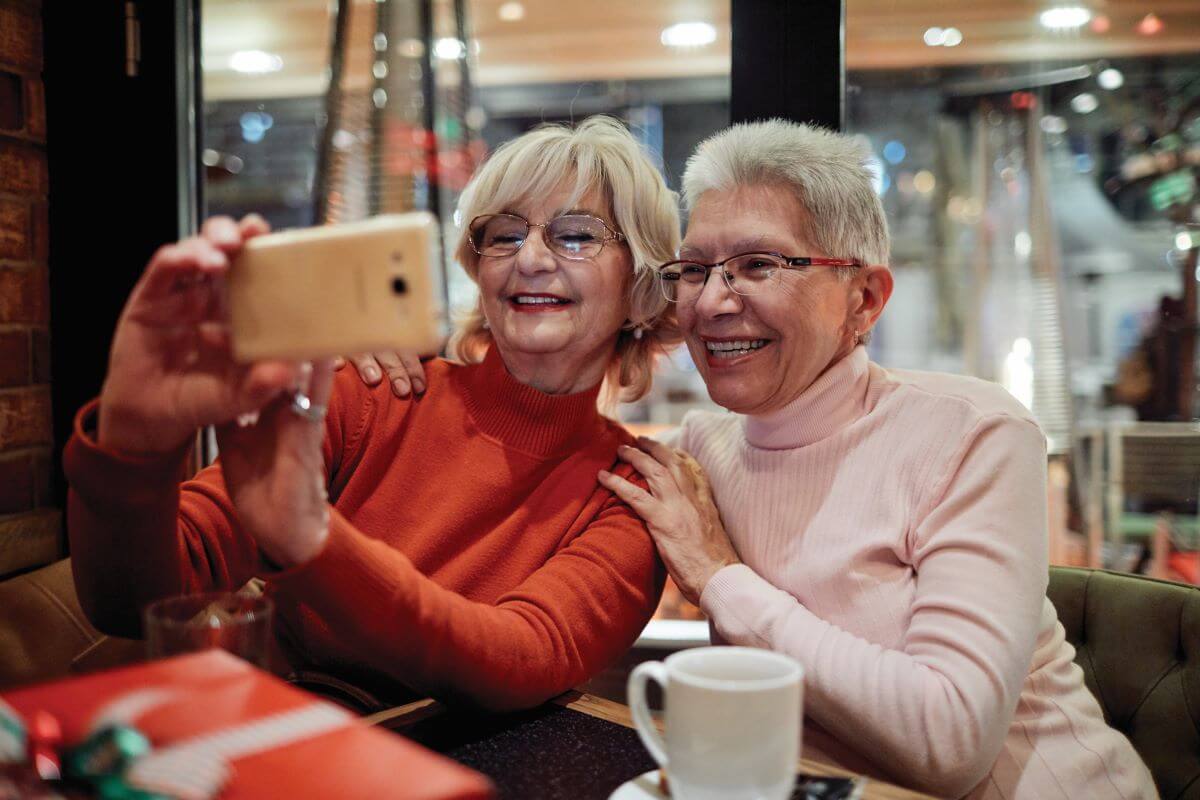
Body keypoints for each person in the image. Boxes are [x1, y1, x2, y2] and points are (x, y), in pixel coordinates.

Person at [598, 121, 1158, 799]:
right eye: (695, 270)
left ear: (863, 299)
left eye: (759, 265)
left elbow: (950, 741)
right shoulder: (703, 449)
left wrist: (721, 577)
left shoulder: (972, 434)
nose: (712, 302)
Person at [65, 116, 680, 710]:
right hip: (273, 742)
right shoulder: (373, 392)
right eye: (505, 234)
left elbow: (520, 658)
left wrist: (314, 540)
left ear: (640, 286)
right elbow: (136, 599)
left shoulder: (628, 493)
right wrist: (136, 445)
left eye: (576, 234)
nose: (531, 259)